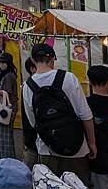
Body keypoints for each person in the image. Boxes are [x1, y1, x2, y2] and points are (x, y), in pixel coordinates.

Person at [23, 43, 96, 185]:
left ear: (32, 60)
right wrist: (92, 143)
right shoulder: (69, 78)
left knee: (50, 184)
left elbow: (33, 122)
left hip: (46, 148)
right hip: (76, 147)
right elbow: (86, 115)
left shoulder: (28, 86)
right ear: (53, 59)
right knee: (77, 184)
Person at [21, 57, 38, 169]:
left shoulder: (26, 85)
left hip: (32, 135)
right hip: (33, 134)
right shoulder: (27, 86)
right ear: (32, 69)